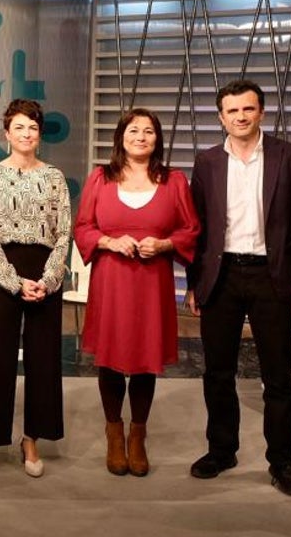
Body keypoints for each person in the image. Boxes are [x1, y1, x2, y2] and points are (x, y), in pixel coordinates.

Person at [185, 80, 291, 496]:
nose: (240, 117)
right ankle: (221, 450)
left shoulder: (290, 156)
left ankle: (282, 462)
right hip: (221, 277)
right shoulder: (206, 161)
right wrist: (193, 283)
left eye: (248, 109)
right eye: (232, 111)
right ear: (221, 117)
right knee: (217, 372)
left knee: (278, 376)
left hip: (273, 277)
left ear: (261, 111)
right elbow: (197, 229)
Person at [74, 108, 199, 476]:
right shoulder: (101, 177)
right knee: (111, 357)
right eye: (133, 130)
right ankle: (114, 433)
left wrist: (164, 245)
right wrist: (109, 242)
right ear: (121, 136)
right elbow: (83, 227)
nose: (141, 136)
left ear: (157, 139)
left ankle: (137, 436)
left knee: (146, 359)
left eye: (148, 131)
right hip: (111, 282)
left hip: (152, 284)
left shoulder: (173, 180)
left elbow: (191, 229)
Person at [0, 99, 71, 481]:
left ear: (39, 134)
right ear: (7, 133)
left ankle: (31, 438)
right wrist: (12, 280)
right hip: (5, 271)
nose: (26, 134)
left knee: (43, 358)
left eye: (33, 128)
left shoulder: (54, 176)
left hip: (43, 273)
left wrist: (49, 279)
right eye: (19, 127)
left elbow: (64, 233)